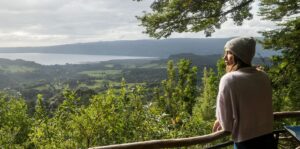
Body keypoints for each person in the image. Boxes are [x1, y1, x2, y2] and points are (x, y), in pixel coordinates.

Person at [212, 37, 276, 148]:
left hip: (245, 143)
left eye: (228, 53)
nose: (224, 57)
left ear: (238, 55)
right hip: (269, 139)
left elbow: (226, 125)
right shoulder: (263, 76)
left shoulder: (229, 79)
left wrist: (220, 120)